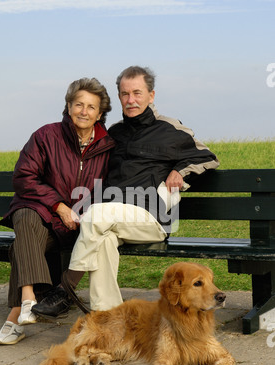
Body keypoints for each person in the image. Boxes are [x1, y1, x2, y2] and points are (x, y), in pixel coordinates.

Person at [34, 65, 220, 316]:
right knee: (104, 242)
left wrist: (181, 170)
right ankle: (107, 319)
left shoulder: (170, 129)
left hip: (151, 217)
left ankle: (65, 289)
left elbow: (208, 157)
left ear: (151, 96)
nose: (130, 100)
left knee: (96, 216)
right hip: (112, 218)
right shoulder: (115, 133)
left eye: (137, 93)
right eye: (124, 94)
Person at [0, 77, 115, 345]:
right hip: (44, 218)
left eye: (91, 107)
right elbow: (24, 177)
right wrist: (60, 207)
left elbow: (111, 189)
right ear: (68, 106)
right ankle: (28, 300)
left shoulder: (109, 147)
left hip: (82, 225)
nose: (83, 111)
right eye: (78, 104)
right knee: (24, 215)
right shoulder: (46, 135)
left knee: (20, 247)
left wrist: (84, 215)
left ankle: (16, 318)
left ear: (100, 113)